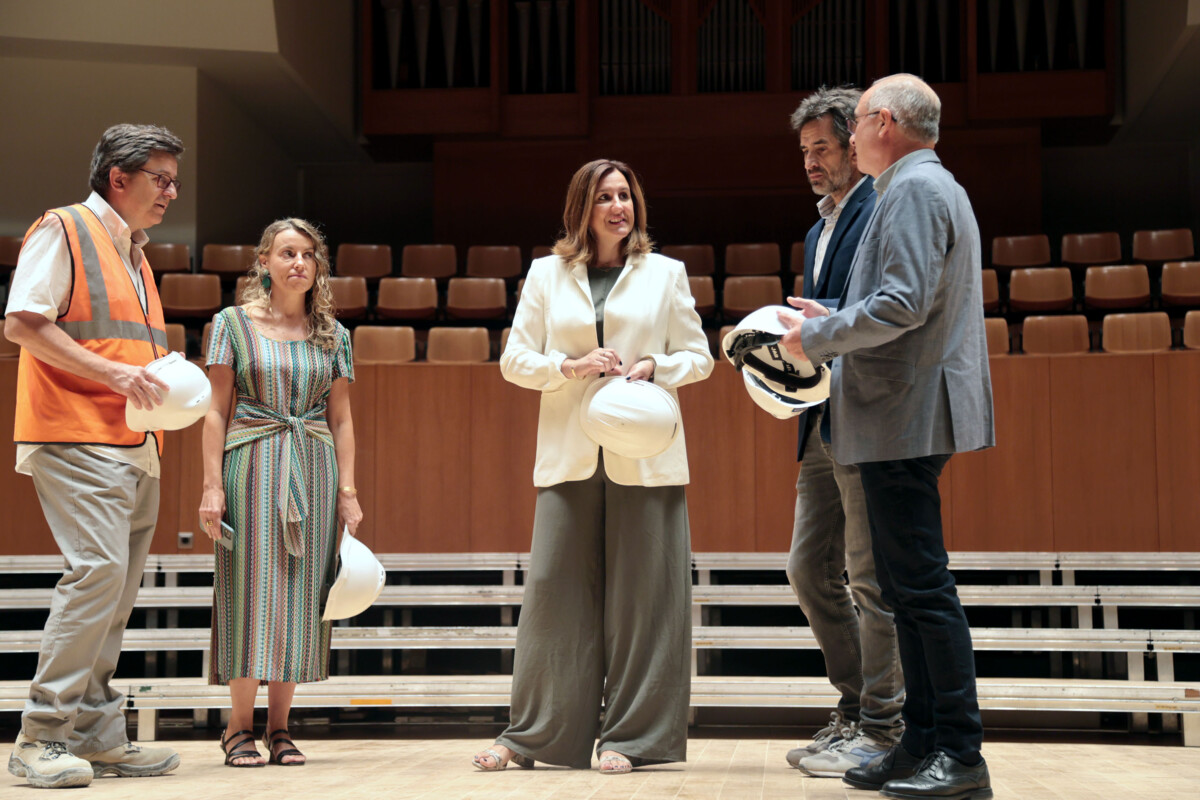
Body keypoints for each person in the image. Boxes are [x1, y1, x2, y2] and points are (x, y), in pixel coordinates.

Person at [777, 74, 995, 799]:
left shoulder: (913, 189)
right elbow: (898, 299)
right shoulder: (920, 186)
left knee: (922, 590)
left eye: (858, 119)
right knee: (904, 588)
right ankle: (921, 742)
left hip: (904, 411)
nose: (850, 137)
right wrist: (834, 314)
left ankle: (959, 753)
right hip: (899, 411)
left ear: (883, 124)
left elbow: (902, 304)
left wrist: (819, 335)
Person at [474, 159, 713, 774]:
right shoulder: (545, 274)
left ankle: (632, 739)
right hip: (569, 455)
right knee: (554, 596)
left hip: (648, 456)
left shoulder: (666, 273)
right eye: (605, 197)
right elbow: (514, 360)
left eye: (625, 195)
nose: (618, 207)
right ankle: (534, 736)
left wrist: (656, 366)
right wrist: (569, 367)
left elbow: (700, 357)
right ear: (582, 208)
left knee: (647, 601)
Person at [4, 124, 184, 790]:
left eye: (174, 181)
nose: (170, 193)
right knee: (98, 574)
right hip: (75, 432)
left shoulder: (135, 254)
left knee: (116, 592)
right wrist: (114, 377)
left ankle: (94, 735)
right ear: (119, 177)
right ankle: (40, 737)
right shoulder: (64, 228)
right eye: (160, 179)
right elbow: (22, 323)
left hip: (134, 441)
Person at [199, 218, 361, 768]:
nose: (299, 263)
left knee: (300, 595)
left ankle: (280, 727)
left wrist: (348, 490)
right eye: (288, 253)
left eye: (309, 255)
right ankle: (238, 727)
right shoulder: (231, 324)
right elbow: (215, 411)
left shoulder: (333, 334)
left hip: (312, 467)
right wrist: (211, 486)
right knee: (247, 591)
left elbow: (341, 419)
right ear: (264, 261)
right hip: (250, 464)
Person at [782, 87, 904, 779]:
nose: (811, 161)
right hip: (820, 419)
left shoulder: (881, 206)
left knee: (868, 577)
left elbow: (883, 305)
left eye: (822, 147)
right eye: (805, 151)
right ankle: (856, 708)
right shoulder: (816, 229)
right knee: (807, 569)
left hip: (864, 416)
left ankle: (884, 727)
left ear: (854, 146)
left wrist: (818, 317)